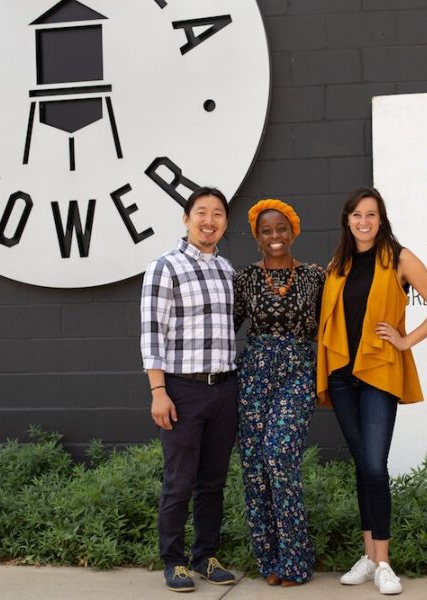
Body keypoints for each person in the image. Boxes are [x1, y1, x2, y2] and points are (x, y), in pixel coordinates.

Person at [316, 187, 427, 596]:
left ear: (382, 220)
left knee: (375, 465)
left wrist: (405, 340)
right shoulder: (336, 265)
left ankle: (383, 562)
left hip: (378, 372)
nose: (364, 221)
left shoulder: (399, 258)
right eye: (357, 214)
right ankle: (368, 556)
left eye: (371, 215)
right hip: (343, 375)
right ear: (347, 219)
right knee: (362, 464)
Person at [140, 187, 239, 593]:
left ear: (225, 223)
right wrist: (158, 391)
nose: (209, 220)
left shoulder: (228, 270)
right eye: (201, 212)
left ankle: (206, 556)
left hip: (224, 389)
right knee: (179, 480)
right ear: (186, 218)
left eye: (217, 213)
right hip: (182, 390)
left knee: (213, 480)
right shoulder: (165, 267)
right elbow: (151, 334)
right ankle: (173, 560)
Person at [233, 199, 325, 586]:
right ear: (257, 236)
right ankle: (269, 559)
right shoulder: (245, 280)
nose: (275, 237)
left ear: (293, 232)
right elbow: (225, 330)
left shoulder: (314, 277)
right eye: (267, 231)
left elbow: (331, 325)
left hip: (299, 371)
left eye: (281, 229)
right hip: (254, 373)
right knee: (255, 466)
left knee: (279, 454)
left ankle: (296, 560)